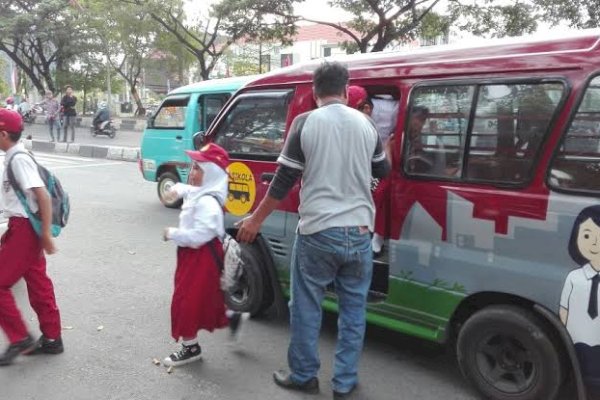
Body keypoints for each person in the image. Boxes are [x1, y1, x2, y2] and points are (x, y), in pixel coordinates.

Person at [236, 62, 390, 398]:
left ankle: (304, 375)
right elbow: (383, 169)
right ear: (347, 89)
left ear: (315, 90)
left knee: (306, 306)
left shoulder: (306, 122)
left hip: (319, 231)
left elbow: (284, 181)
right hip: (361, 232)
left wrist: (254, 220)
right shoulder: (366, 124)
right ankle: (344, 383)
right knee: (353, 311)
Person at [162, 143, 248, 367]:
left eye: (198, 168)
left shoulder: (208, 202)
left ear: (212, 173)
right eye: (193, 167)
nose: (192, 172)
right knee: (205, 298)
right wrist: (176, 189)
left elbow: (199, 236)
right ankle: (232, 318)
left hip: (201, 256)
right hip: (194, 255)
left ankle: (191, 348)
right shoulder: (202, 191)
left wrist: (172, 233)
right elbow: (187, 189)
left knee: (185, 301)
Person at [0, 109, 63, 366]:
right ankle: (52, 337)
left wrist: (45, 234)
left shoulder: (18, 159)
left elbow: (43, 196)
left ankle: (19, 338)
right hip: (23, 228)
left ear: (3, 134)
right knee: (37, 282)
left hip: (26, 230)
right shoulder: (14, 156)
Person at [347, 85, 392, 256]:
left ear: (366, 108)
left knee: (380, 190)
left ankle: (376, 236)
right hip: (368, 165)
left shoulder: (383, 115)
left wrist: (388, 149)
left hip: (381, 163)